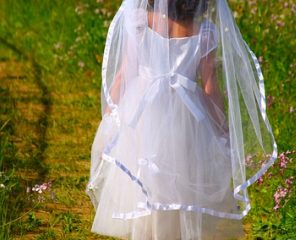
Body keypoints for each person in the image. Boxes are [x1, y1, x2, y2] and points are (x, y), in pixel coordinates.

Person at [86, 0, 277, 239]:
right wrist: (221, 125)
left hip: (143, 109)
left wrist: (109, 117)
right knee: (181, 176)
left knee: (145, 169)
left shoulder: (139, 23)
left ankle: (147, 231)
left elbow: (126, 72)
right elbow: (210, 88)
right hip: (188, 113)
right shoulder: (204, 31)